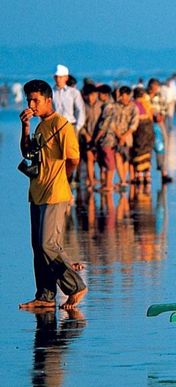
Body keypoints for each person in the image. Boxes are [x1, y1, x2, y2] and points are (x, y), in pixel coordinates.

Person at [19, 79, 88, 310]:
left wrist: (62, 178)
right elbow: (28, 152)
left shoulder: (62, 125)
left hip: (55, 193)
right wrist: (25, 128)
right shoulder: (39, 126)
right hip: (37, 191)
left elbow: (74, 158)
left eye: (35, 100)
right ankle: (45, 296)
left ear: (49, 100)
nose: (31, 104)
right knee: (38, 247)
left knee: (48, 244)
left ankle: (75, 286)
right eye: (29, 99)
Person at [113, 86, 139, 189]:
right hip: (116, 136)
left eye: (125, 95)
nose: (123, 98)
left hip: (128, 137)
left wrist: (124, 136)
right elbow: (112, 122)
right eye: (122, 95)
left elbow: (134, 124)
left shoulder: (133, 108)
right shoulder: (116, 106)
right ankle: (122, 180)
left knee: (126, 158)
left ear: (129, 95)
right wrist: (118, 135)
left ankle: (123, 180)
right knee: (117, 156)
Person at [81, 84, 102, 189]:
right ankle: (91, 179)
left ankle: (103, 179)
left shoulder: (101, 105)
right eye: (88, 95)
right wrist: (86, 134)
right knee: (90, 158)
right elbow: (81, 123)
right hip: (88, 137)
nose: (90, 97)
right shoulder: (83, 107)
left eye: (93, 95)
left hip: (100, 137)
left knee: (100, 159)